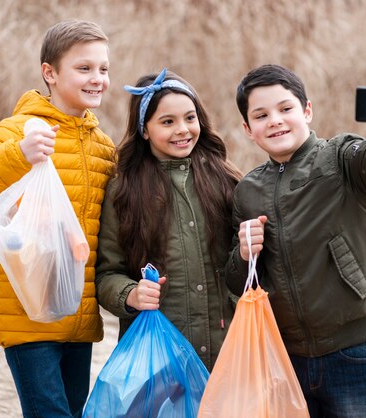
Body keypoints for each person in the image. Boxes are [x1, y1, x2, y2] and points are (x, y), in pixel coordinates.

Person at [225, 64, 366, 417]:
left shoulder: (340, 158)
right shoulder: (248, 191)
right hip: (285, 355)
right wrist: (244, 253)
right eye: (261, 115)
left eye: (285, 109)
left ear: (307, 110)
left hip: (352, 350)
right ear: (248, 130)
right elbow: (237, 280)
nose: (275, 120)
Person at [0, 20, 115, 418]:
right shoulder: (18, 130)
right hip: (27, 317)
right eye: (84, 68)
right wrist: (17, 155)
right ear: (49, 73)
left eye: (103, 69)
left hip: (77, 318)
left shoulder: (103, 147)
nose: (98, 79)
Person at [95, 68, 241, 371]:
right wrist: (131, 294)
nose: (183, 129)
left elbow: (245, 265)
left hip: (229, 347)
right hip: (160, 356)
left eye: (190, 118)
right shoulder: (124, 190)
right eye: (167, 122)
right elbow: (107, 273)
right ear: (144, 130)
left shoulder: (225, 180)